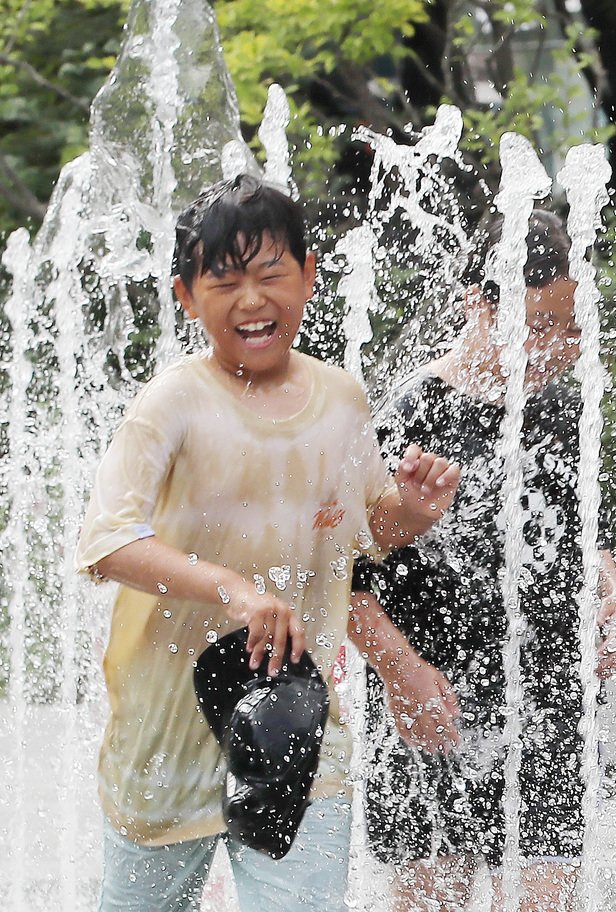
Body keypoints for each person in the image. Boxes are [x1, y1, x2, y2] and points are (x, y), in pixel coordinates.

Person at [77, 173, 462, 911]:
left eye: (270, 275)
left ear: (309, 276)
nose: (251, 300)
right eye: (224, 282)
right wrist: (233, 589)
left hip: (296, 722)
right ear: (187, 297)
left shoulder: (341, 400)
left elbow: (363, 531)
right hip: (168, 728)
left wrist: (412, 511)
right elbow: (108, 542)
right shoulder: (173, 403)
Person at [349, 209, 616, 912]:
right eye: (539, 325)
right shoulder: (409, 416)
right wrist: (400, 672)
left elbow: (577, 528)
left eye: (573, 329)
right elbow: (343, 574)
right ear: (478, 303)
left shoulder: (563, 411)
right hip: (432, 699)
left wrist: (608, 581)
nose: (557, 348)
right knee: (431, 899)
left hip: (549, 699)